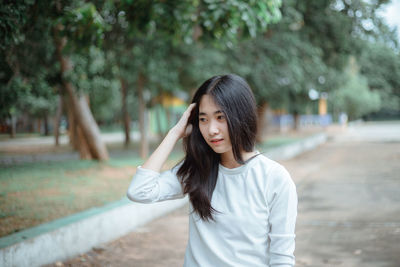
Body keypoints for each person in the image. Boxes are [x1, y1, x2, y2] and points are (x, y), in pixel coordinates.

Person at [127, 74, 298, 267]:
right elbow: (139, 191)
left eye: (220, 117)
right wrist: (175, 133)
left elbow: (282, 258)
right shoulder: (197, 170)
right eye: (203, 119)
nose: (212, 129)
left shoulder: (274, 178)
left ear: (241, 116)